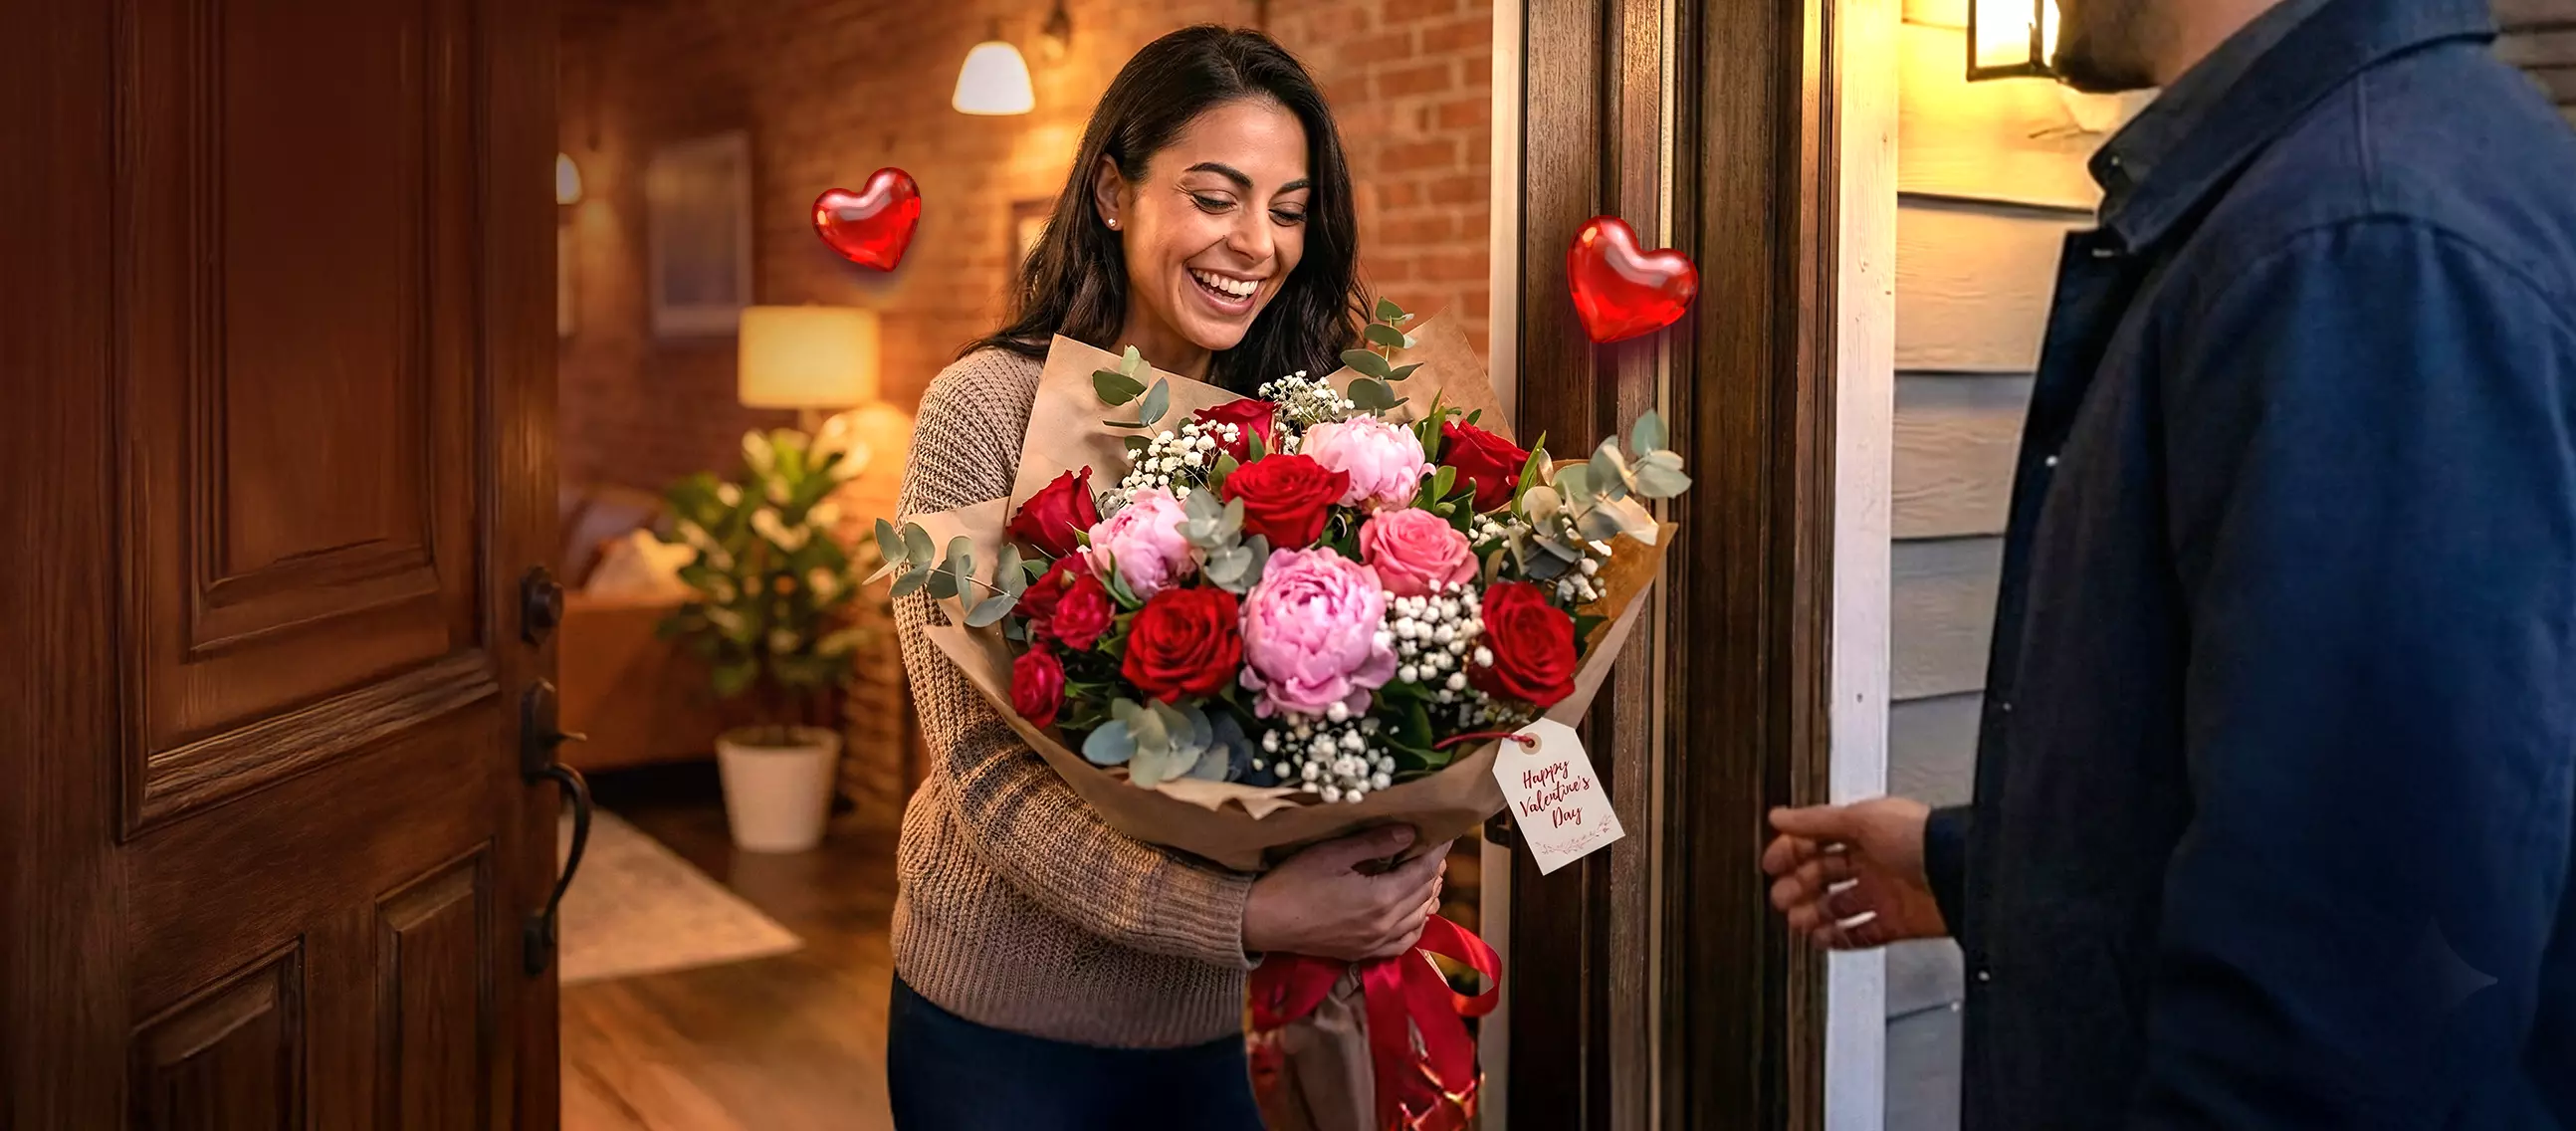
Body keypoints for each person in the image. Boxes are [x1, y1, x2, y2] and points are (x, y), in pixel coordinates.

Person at [1765, 0, 2576, 1125]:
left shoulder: (2359, 241)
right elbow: (2307, 792)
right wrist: (1974, 866)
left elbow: (2347, 1004)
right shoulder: (2319, 200)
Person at [885, 26, 1451, 1129]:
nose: (1255, 242)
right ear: (1111, 190)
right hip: (999, 1022)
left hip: (1212, 1025)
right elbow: (984, 779)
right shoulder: (981, 410)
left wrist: (1403, 830)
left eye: (1288, 210)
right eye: (1214, 196)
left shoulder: (1302, 434)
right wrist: (1246, 912)